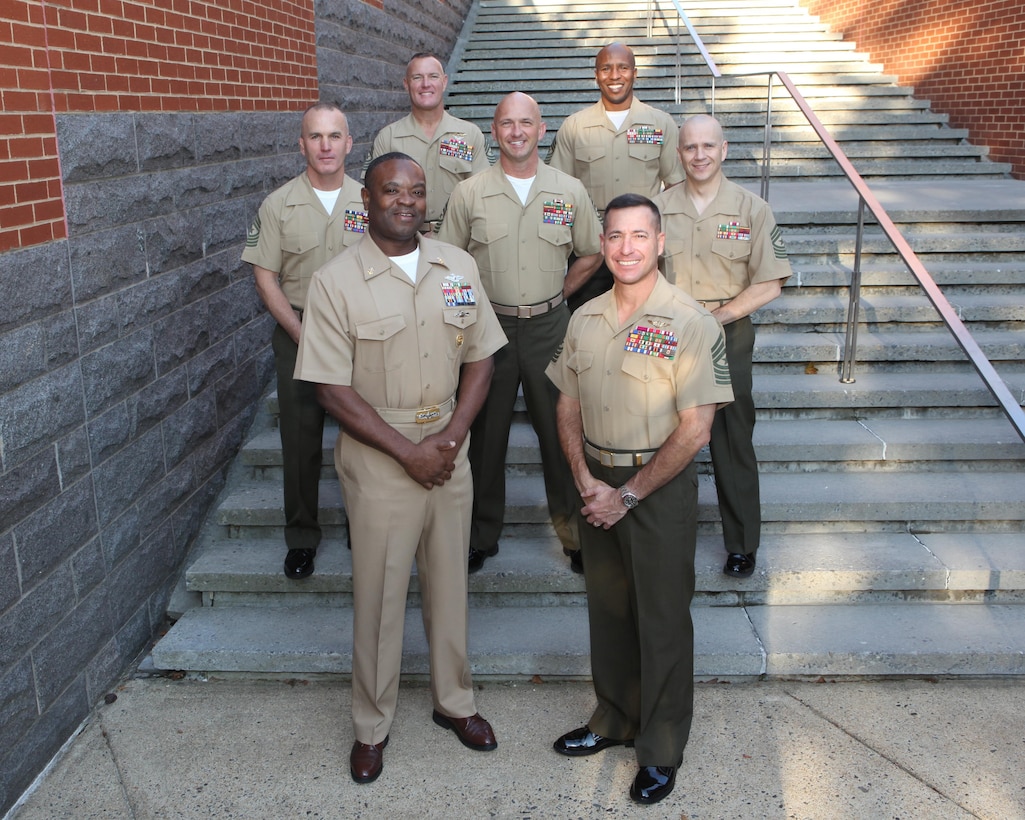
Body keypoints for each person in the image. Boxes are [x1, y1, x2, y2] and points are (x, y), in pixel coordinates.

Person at [294, 153, 507, 784]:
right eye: (393, 191)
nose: (406, 201)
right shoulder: (336, 281)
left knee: (448, 584)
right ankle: (370, 726)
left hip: (448, 447)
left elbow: (481, 358)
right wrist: (408, 450)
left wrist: (453, 435)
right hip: (379, 456)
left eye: (416, 191)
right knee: (380, 598)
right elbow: (331, 389)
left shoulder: (457, 267)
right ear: (368, 198)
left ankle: (455, 702)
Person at [546, 193, 733, 806]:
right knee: (609, 613)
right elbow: (566, 403)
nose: (627, 248)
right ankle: (613, 719)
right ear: (603, 246)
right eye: (616, 236)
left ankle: (660, 747)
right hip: (596, 483)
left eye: (639, 236)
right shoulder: (584, 318)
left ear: (660, 243)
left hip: (655, 489)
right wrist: (583, 480)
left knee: (662, 622)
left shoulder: (691, 321)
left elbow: (696, 429)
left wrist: (625, 495)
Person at [438, 92, 603, 573]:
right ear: (493, 131)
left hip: (552, 327)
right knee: (486, 438)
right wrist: (466, 320)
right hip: (488, 329)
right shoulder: (470, 192)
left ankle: (575, 536)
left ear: (542, 128)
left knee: (562, 434)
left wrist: (561, 292)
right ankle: (479, 535)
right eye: (506, 123)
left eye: (525, 123)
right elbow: (447, 263)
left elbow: (591, 252)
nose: (516, 132)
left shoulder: (568, 190)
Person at [654, 114, 792, 579]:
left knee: (732, 441)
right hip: (668, 333)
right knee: (660, 435)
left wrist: (717, 318)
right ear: (679, 153)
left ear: (724, 149)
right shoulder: (658, 208)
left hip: (727, 333)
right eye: (690, 147)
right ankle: (662, 536)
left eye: (708, 146)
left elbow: (770, 282)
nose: (699, 155)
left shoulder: (752, 209)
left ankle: (741, 544)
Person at [242, 102, 366, 580]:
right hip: (298, 332)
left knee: (366, 438)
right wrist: (302, 334)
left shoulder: (371, 199)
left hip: (362, 338)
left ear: (349, 143)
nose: (326, 145)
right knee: (300, 442)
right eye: (316, 136)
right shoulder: (278, 204)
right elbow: (265, 277)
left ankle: (366, 527)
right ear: (302, 145)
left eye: (335, 135)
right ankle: (301, 539)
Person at [547, 42, 684, 308]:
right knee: (588, 328)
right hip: (591, 250)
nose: (614, 75)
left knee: (644, 326)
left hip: (641, 251)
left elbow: (677, 187)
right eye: (606, 68)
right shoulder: (575, 127)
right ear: (596, 75)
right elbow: (557, 191)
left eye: (622, 68)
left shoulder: (660, 124)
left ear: (635, 72)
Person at [368, 52, 490, 234]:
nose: (426, 84)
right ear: (406, 84)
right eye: (417, 77)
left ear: (444, 81)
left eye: (433, 76)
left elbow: (483, 194)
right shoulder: (388, 138)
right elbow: (373, 198)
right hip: (402, 238)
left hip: (457, 238)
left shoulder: (469, 135)